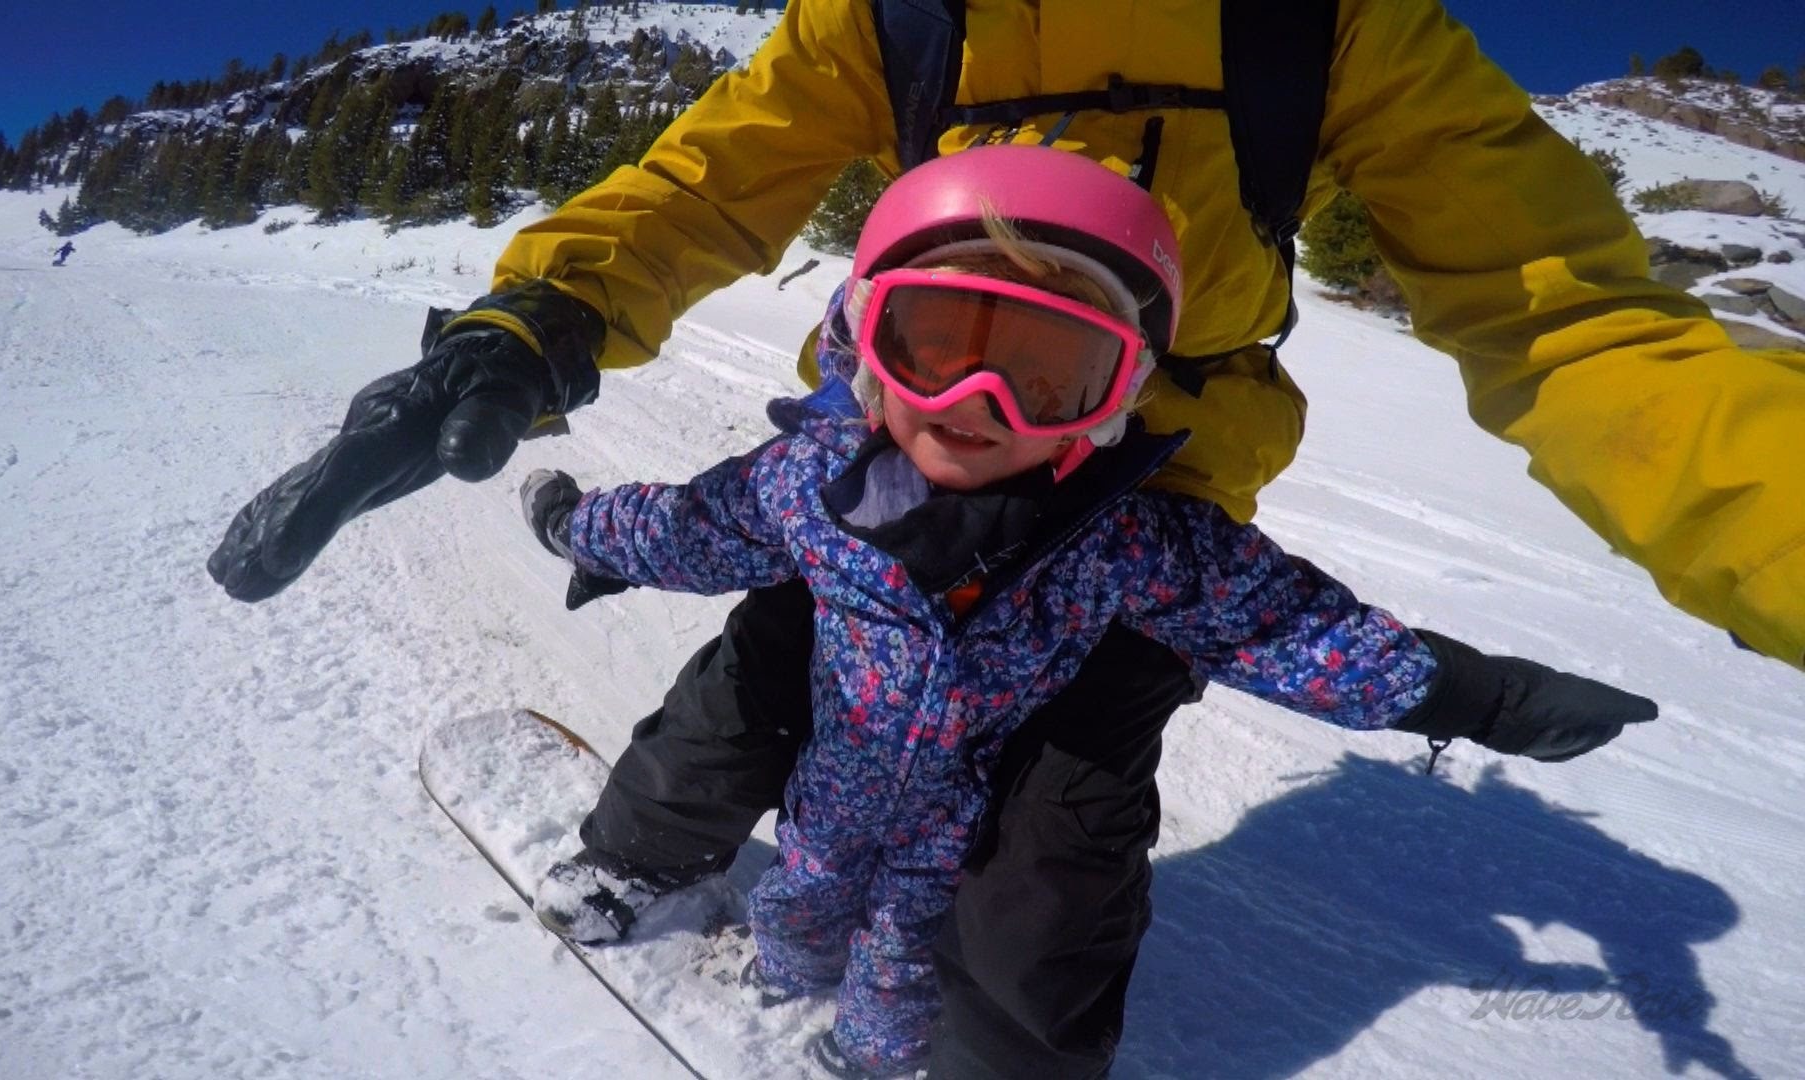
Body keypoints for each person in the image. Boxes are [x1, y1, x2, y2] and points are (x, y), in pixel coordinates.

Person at [208, 0, 1803, 1074]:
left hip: (1137, 506)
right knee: (742, 690)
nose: (989, 385)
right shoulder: (897, 8)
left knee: (1052, 869)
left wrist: (1472, 682)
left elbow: (1576, 314)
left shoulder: (1326, 22)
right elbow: (707, 192)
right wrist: (536, 326)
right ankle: (633, 863)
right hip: (875, 474)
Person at [511, 144, 1656, 1079]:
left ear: (1114, 402)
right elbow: (685, 526)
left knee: (910, 956)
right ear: (867, 346)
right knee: (803, 898)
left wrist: (1472, 694)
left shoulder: (1123, 538)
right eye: (936, 346)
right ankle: (775, 982)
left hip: (954, 819)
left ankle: (860, 1059)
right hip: (830, 785)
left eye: (1047, 372)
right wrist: (578, 528)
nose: (977, 403)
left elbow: (1285, 626)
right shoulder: (806, 484)